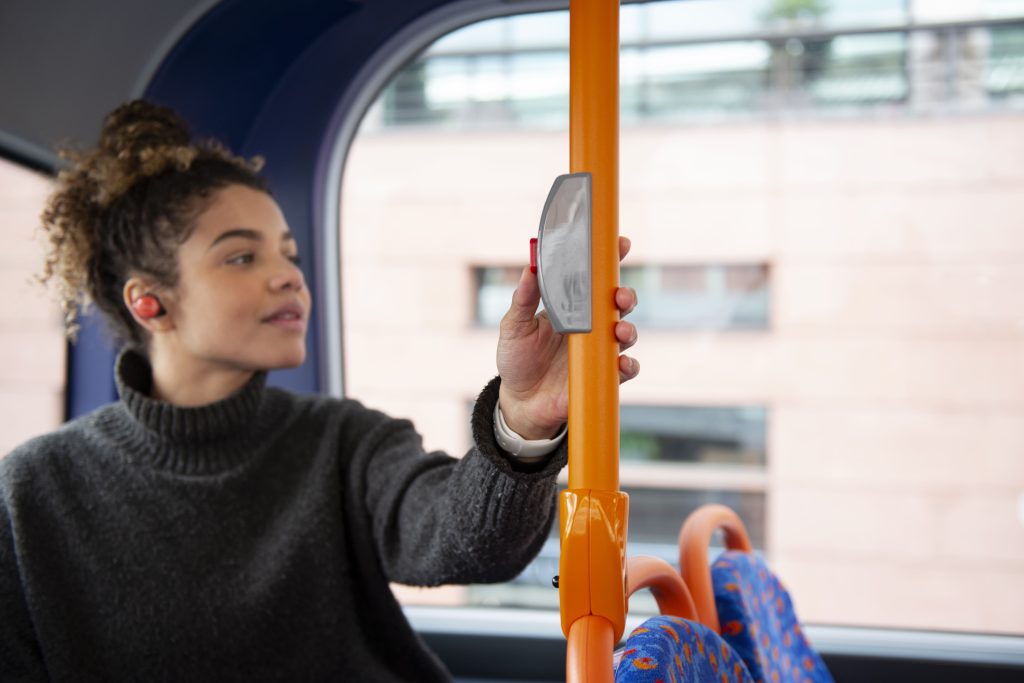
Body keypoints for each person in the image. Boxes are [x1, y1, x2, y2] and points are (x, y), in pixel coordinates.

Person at [0, 100, 639, 681]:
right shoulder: (31, 495)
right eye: (242, 257)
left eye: (290, 255)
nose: (289, 280)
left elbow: (467, 543)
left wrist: (521, 419)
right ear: (149, 302)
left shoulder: (341, 440)